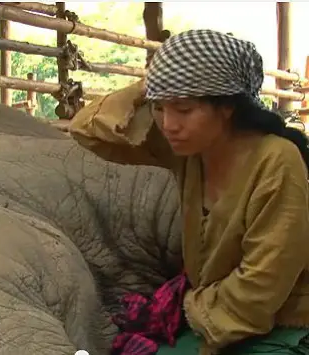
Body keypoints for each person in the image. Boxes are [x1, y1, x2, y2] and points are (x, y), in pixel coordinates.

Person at [69, 29, 309, 354]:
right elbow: (87, 130)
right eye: (158, 107)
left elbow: (261, 290)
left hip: (281, 327)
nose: (168, 124)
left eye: (183, 109)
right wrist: (150, 84)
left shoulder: (277, 161)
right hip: (217, 317)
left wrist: (189, 307)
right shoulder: (189, 151)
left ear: (227, 107)